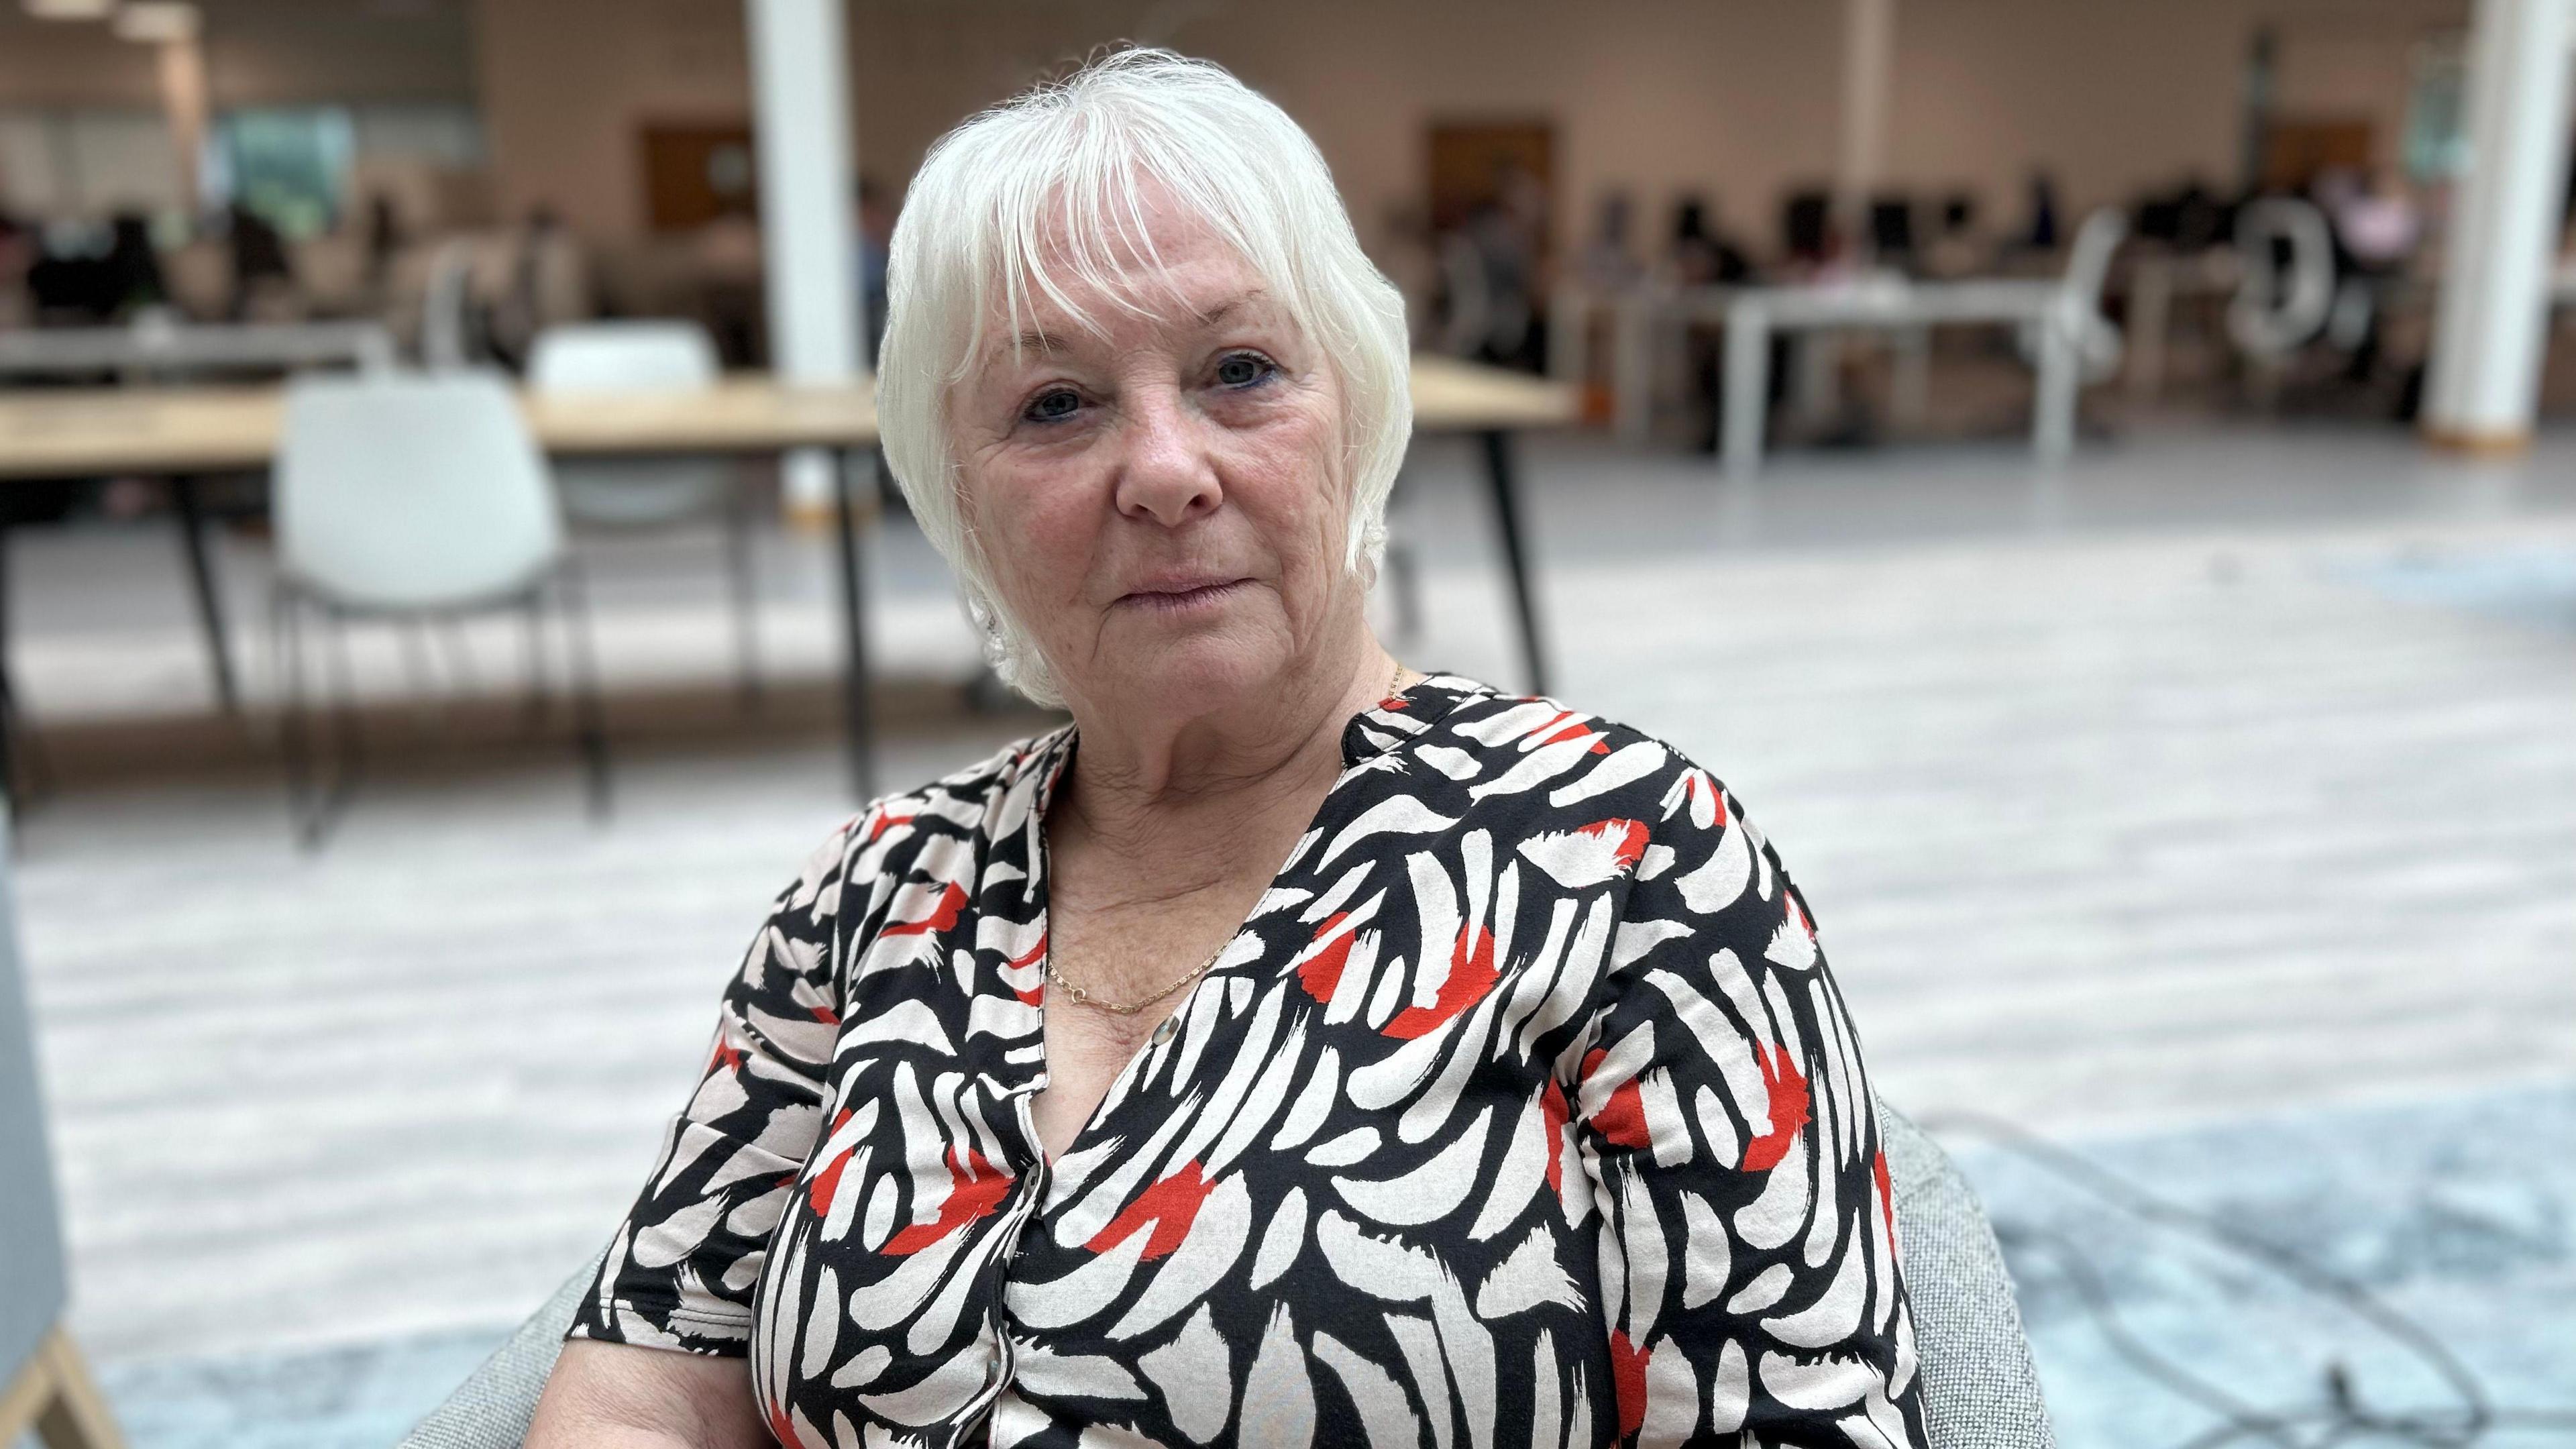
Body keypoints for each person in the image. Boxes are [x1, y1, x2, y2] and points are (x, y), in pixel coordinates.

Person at [529, 50, 1927, 1449]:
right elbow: (647, 1376)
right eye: (1055, 405)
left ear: (1358, 413)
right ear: (960, 498)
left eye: (1240, 371)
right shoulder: (876, 891)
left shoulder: (1625, 853)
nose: (1164, 469)